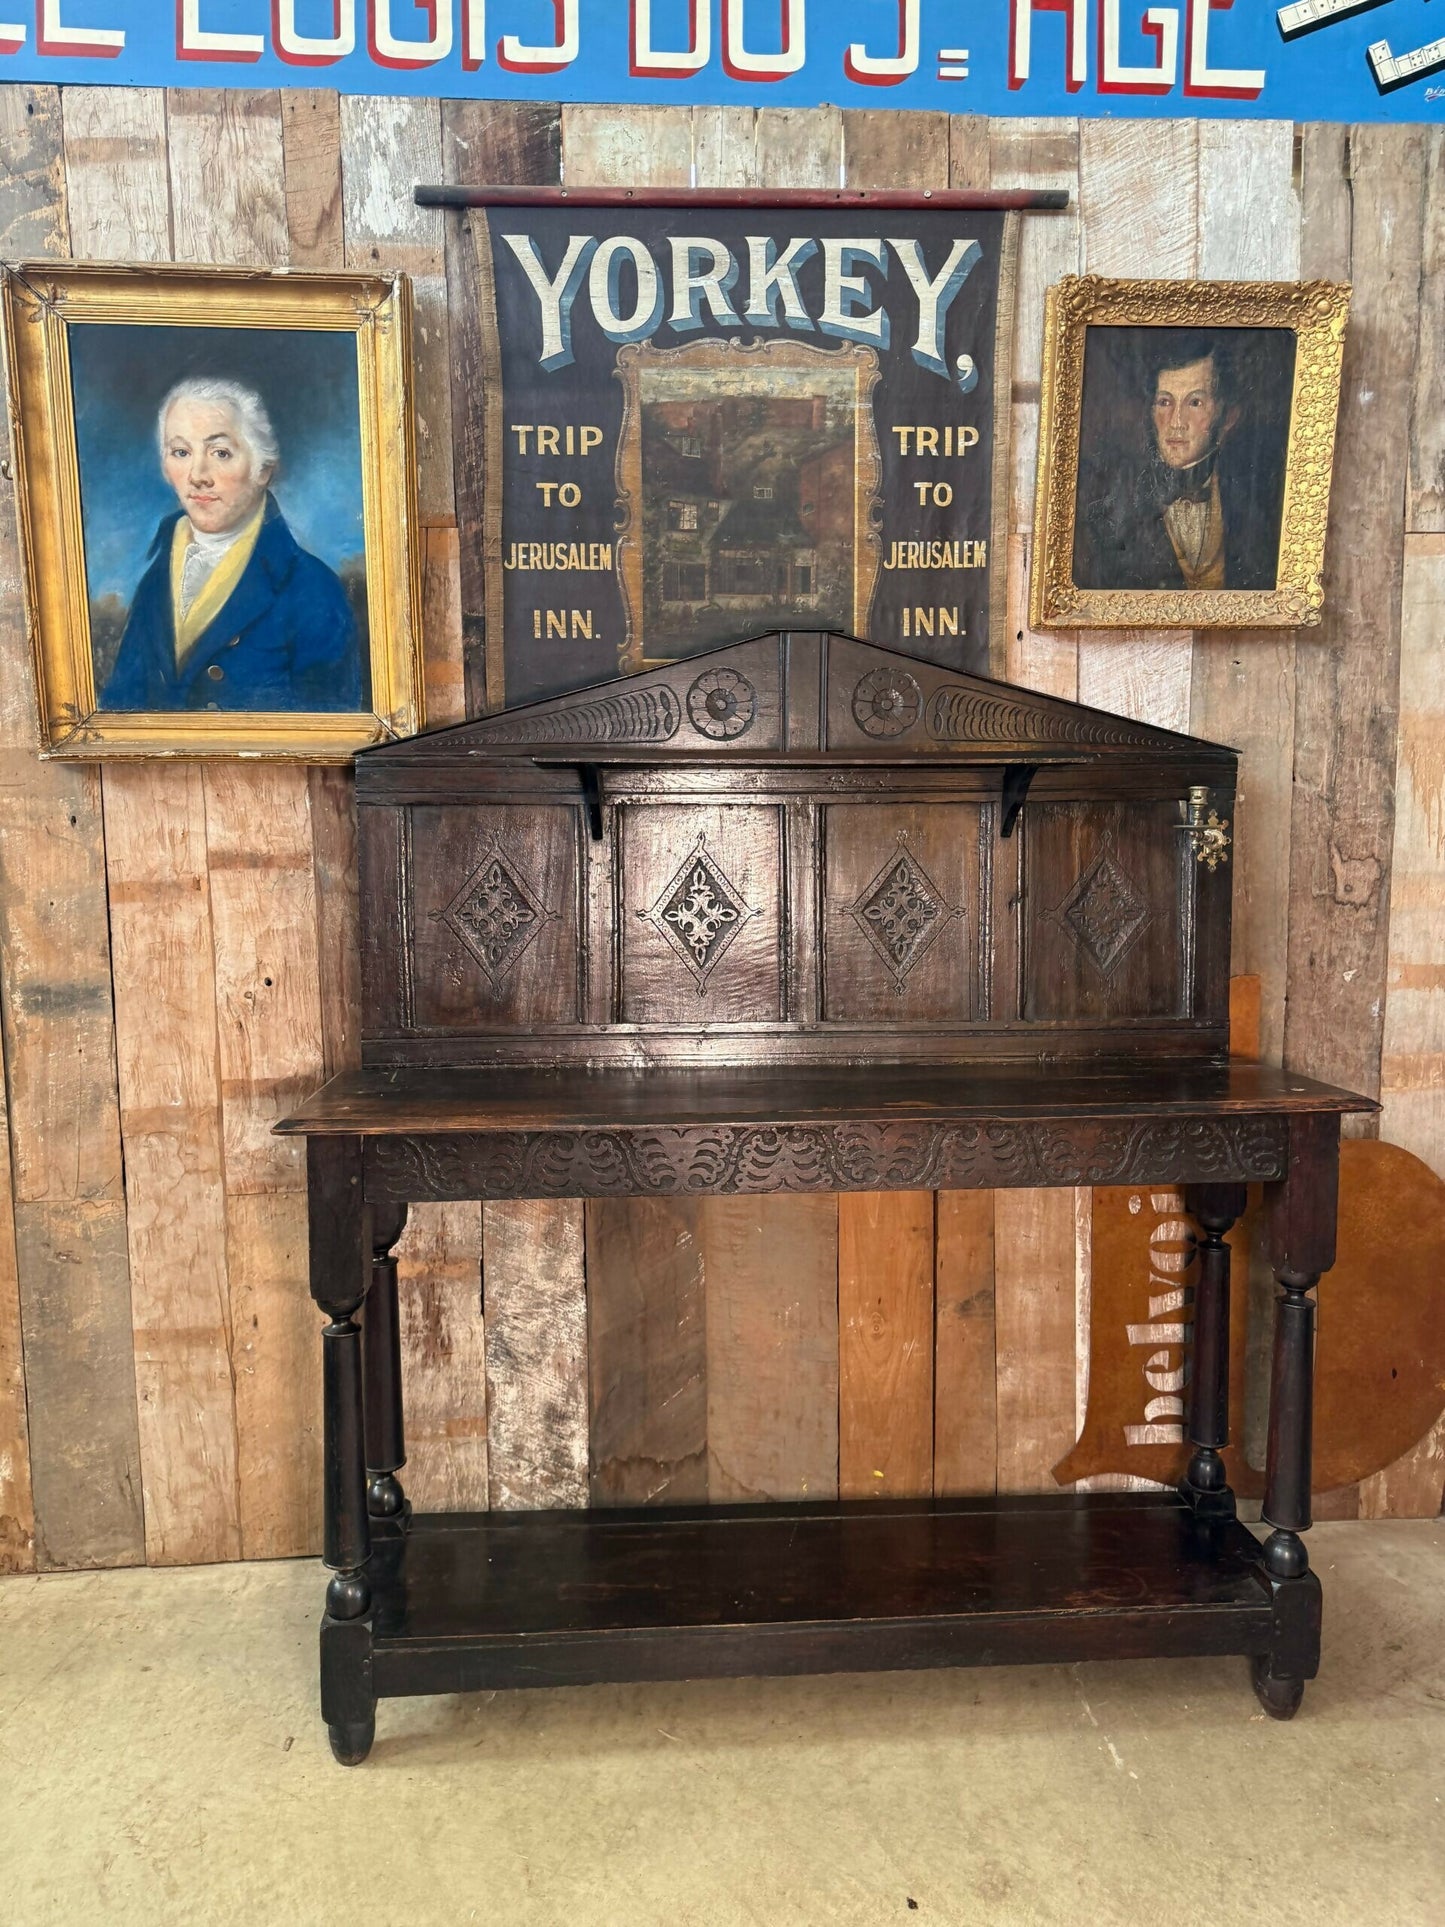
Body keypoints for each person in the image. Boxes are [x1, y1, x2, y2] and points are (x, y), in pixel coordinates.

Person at [100, 377, 362, 711]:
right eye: (181, 452)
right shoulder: (156, 580)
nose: (198, 474)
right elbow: (120, 709)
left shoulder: (312, 589)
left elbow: (331, 732)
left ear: (263, 469)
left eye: (220, 453)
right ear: (166, 466)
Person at [1072, 333, 1283, 593]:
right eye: (1165, 402)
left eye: (1195, 403)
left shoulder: (1260, 506)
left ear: (1228, 417)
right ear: (1151, 412)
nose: (1176, 422)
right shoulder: (1111, 511)